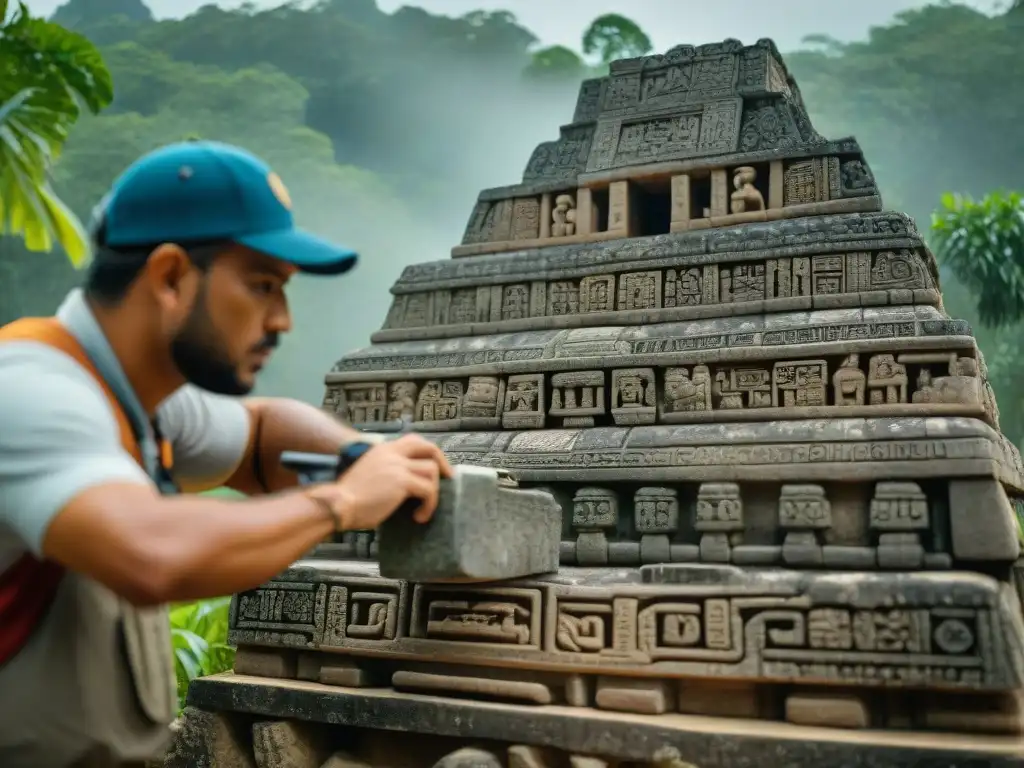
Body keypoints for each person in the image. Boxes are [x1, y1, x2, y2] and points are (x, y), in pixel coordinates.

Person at [0, 140, 452, 768]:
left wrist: (363, 456)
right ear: (169, 277)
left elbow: (263, 436)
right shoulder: (31, 392)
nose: (282, 320)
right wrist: (344, 500)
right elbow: (149, 553)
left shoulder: (142, 400)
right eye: (263, 286)